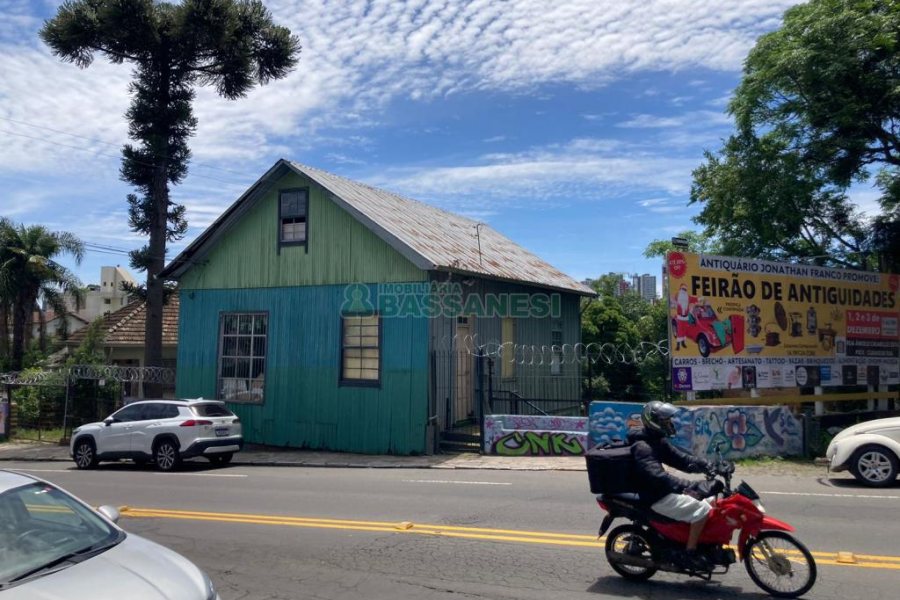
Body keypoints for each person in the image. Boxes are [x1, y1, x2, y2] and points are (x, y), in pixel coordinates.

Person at [628, 400, 716, 571]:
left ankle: (695, 541)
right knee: (702, 510)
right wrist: (694, 485)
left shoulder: (656, 440)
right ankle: (689, 553)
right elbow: (659, 477)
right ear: (654, 421)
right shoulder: (643, 447)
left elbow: (681, 459)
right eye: (666, 421)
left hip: (663, 491)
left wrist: (706, 464)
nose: (670, 423)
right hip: (655, 497)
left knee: (711, 499)